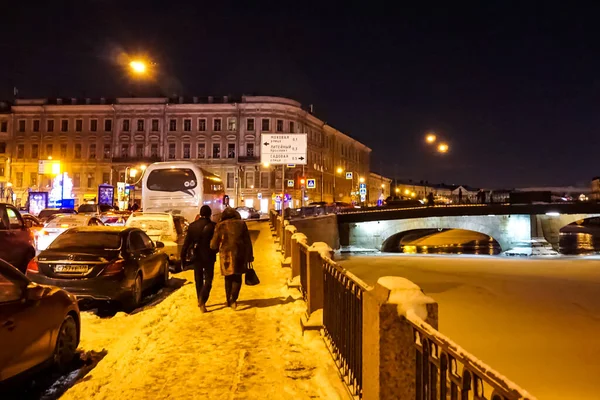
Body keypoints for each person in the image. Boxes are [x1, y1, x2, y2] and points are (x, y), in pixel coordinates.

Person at [210, 207, 253, 310]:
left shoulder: (220, 226)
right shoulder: (241, 224)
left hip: (225, 255)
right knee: (237, 278)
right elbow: (247, 241)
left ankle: (228, 300)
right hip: (240, 254)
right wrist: (250, 256)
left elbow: (213, 244)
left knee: (228, 277)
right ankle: (233, 299)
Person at [181, 205, 217, 313]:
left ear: (200, 214)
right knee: (209, 280)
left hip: (196, 257)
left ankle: (200, 301)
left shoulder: (192, 226)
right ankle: (203, 298)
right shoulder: (213, 226)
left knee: (198, 279)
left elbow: (186, 244)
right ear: (210, 214)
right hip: (209, 257)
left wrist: (183, 260)